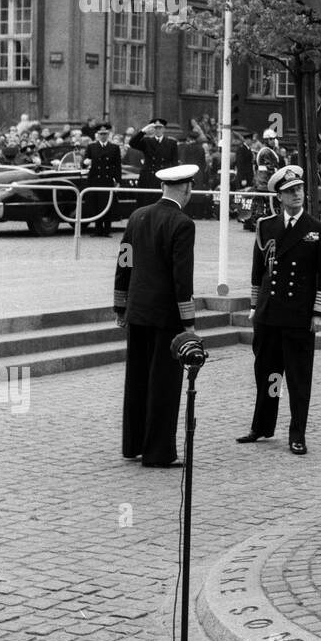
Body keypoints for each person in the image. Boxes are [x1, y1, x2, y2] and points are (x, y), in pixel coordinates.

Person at [236, 167, 321, 455]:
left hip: (299, 315)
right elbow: (258, 272)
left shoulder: (319, 230)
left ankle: (297, 433)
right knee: (268, 374)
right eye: (290, 191)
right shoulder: (265, 226)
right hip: (269, 314)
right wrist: (255, 305)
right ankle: (262, 426)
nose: (296, 194)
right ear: (278, 196)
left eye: (300, 189)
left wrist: (320, 312)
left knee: (298, 377)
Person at [113, 164, 198, 467]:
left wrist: (121, 306)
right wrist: (188, 322)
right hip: (166, 318)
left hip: (137, 312)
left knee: (137, 380)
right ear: (187, 189)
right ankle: (159, 452)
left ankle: (133, 444)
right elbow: (181, 278)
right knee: (163, 385)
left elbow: (124, 261)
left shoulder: (137, 216)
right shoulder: (182, 223)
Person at [81, 122, 121, 236]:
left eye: (105, 134)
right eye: (101, 134)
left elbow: (118, 165)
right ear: (97, 134)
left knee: (107, 205)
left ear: (108, 134)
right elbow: (84, 163)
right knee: (96, 205)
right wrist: (85, 163)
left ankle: (107, 230)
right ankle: (98, 230)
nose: (103, 136)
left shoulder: (114, 148)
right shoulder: (92, 147)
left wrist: (118, 181)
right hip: (95, 180)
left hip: (107, 179)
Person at [129, 118, 179, 191]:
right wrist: (143, 131)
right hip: (149, 177)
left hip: (164, 177)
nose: (158, 130)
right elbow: (132, 143)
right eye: (155, 128)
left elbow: (174, 163)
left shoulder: (171, 143)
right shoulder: (146, 141)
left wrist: (174, 180)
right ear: (152, 129)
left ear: (164, 129)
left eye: (160, 127)